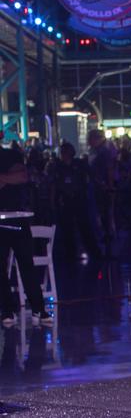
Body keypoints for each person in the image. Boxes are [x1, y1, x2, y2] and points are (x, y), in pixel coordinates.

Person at [0, 137, 49, 328]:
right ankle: (7, 310)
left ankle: (38, 308)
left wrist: (2, 177)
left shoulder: (12, 153)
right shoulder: (12, 156)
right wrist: (8, 176)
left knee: (26, 264)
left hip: (18, 218)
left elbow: (22, 176)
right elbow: (18, 176)